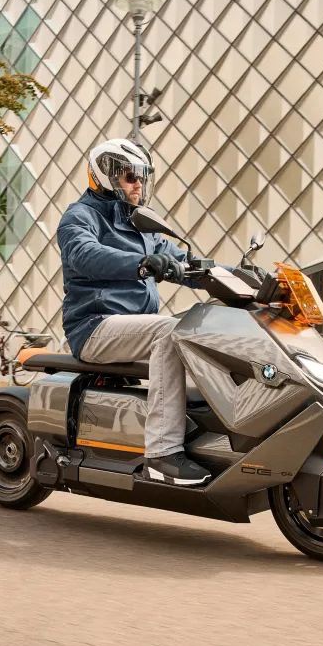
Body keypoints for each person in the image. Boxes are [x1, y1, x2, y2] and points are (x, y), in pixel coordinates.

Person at [57, 138, 211, 486]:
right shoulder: (80, 217)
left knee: (204, 327)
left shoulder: (141, 227)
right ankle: (162, 454)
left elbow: (187, 263)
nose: (138, 184)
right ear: (106, 176)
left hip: (130, 331)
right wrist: (142, 264)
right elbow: (85, 254)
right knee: (169, 332)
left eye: (141, 177)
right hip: (95, 327)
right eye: (130, 177)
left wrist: (247, 278)